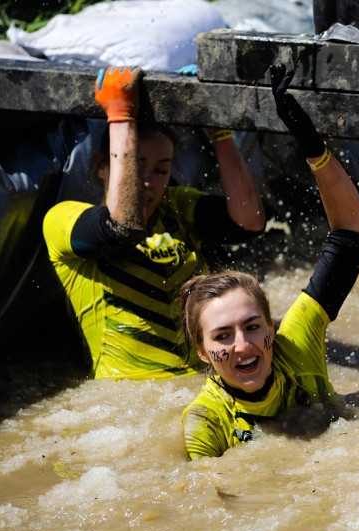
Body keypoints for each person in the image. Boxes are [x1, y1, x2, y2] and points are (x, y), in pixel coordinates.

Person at [179, 63, 359, 460]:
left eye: (252, 327)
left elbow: (351, 232)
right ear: (200, 351)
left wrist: (311, 145)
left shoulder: (295, 344)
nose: (243, 346)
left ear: (272, 328)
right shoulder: (205, 422)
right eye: (222, 336)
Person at [42, 66, 265, 380]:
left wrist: (218, 129)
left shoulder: (176, 206)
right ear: (101, 166)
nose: (148, 182)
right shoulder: (62, 220)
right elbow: (121, 227)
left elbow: (249, 223)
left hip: (208, 381)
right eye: (138, 166)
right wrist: (120, 116)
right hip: (130, 398)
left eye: (161, 170)